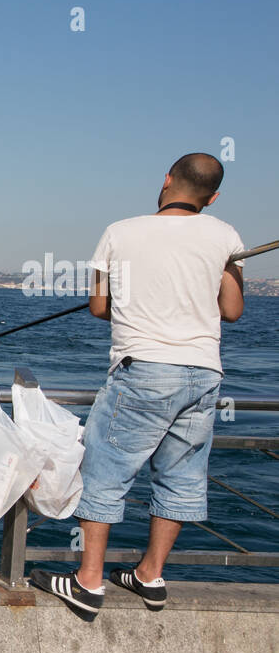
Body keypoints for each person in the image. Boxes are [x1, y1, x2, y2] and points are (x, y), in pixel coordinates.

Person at [31, 153, 245, 618]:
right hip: (204, 373)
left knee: (105, 474)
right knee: (182, 478)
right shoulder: (225, 235)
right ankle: (150, 574)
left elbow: (99, 307)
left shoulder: (120, 232)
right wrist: (223, 269)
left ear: (167, 180)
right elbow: (231, 310)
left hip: (144, 369)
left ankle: (88, 583)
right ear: (213, 196)